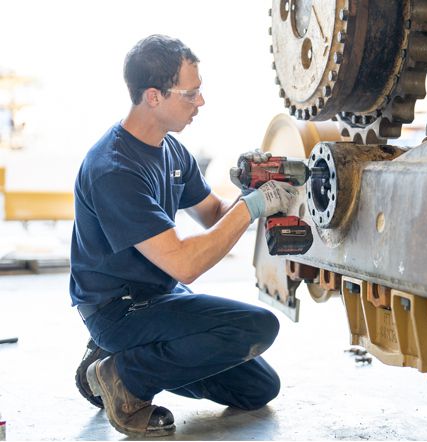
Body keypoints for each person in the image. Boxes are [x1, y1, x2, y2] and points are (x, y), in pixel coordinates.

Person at [69, 34, 298, 437]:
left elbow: (214, 215)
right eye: (191, 94)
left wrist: (253, 191)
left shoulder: (172, 151)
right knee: (257, 327)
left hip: (159, 298)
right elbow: (184, 264)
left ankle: (113, 364)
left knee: (259, 387)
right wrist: (253, 207)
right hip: (118, 309)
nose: (201, 103)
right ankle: (124, 377)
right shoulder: (114, 169)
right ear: (153, 96)